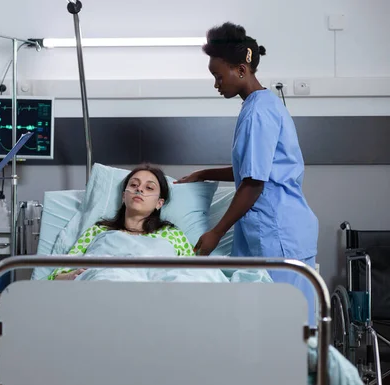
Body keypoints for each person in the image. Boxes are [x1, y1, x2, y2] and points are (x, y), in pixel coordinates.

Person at [175, 22, 319, 325]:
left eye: (218, 75)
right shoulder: (261, 105)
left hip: (278, 235)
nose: (216, 84)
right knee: (263, 328)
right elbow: (250, 169)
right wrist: (204, 173)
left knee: (287, 329)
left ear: (241, 70)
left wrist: (216, 232)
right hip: (267, 234)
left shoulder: (258, 111)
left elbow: (253, 183)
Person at [48, 165, 198, 281]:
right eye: (134, 185)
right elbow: (57, 276)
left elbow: (194, 274)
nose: (139, 189)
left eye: (149, 188)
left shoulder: (173, 235)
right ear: (123, 196)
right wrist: (73, 275)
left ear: (159, 203)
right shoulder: (99, 231)